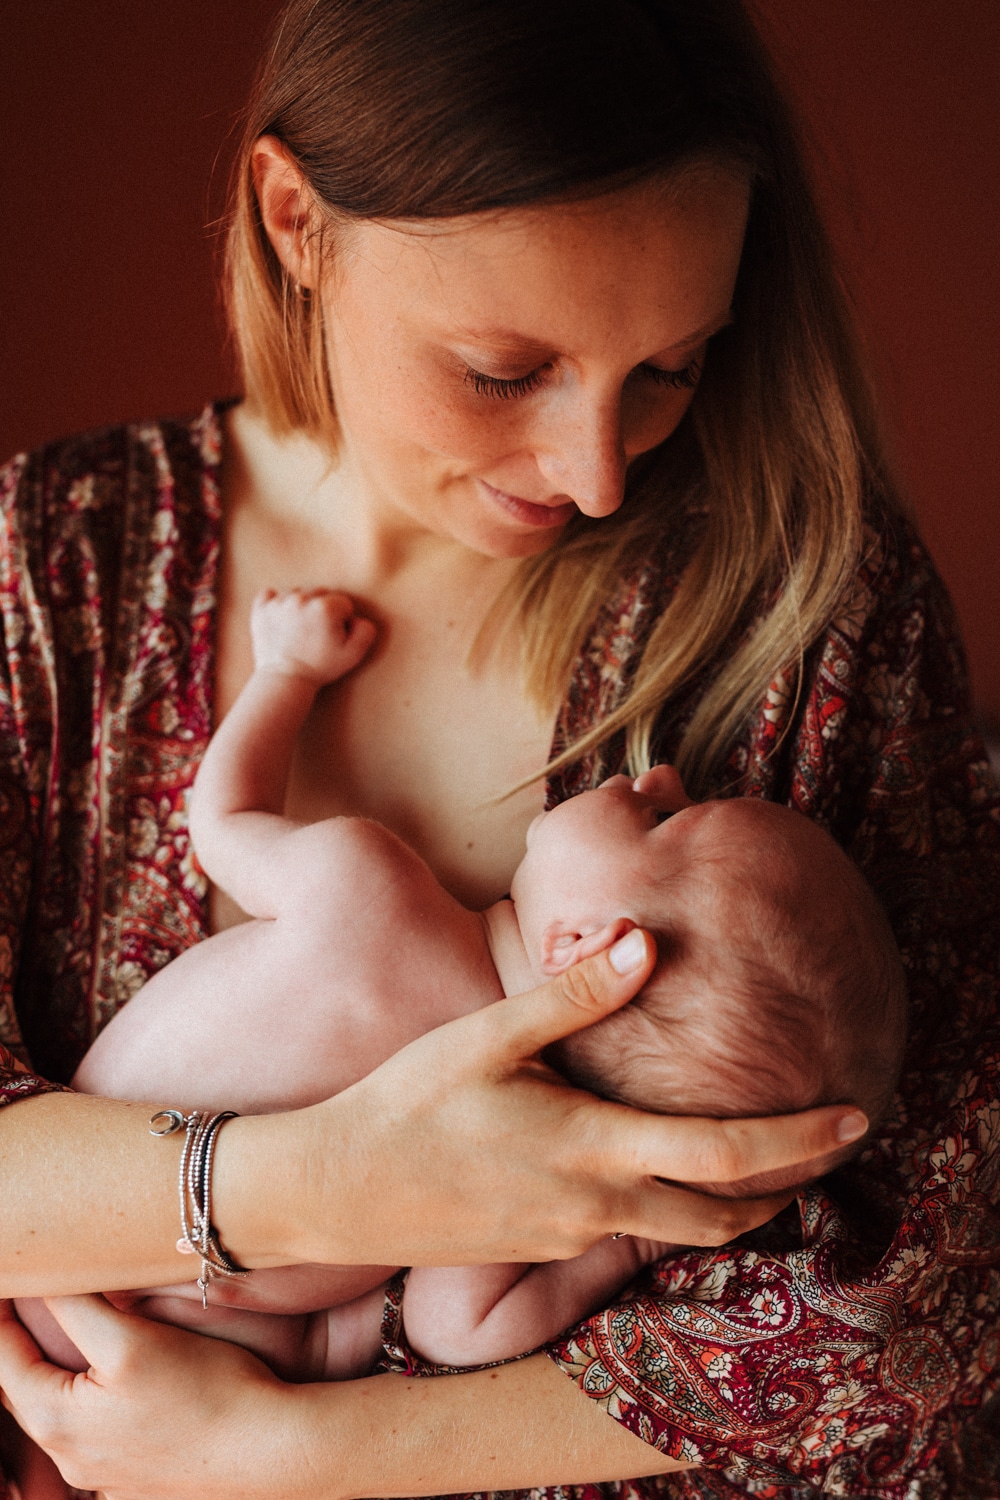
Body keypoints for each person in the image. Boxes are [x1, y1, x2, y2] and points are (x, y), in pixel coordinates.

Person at [0, 1, 995, 1497]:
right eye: (500, 368)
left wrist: (289, 1451)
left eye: (672, 365)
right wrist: (324, 1187)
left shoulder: (809, 607)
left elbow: (933, 1283)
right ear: (296, 222)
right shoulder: (45, 571)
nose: (596, 475)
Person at [14, 585, 907, 1399]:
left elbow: (221, 820)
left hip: (63, 1234)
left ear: (593, 950)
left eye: (666, 819)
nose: (660, 776)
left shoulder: (369, 886)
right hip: (177, 1341)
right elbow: (456, 1327)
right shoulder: (520, 1149)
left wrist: (287, 672)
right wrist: (633, 1235)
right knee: (338, 1335)